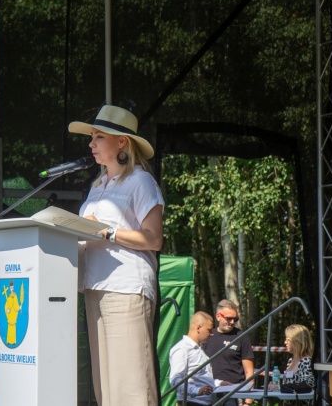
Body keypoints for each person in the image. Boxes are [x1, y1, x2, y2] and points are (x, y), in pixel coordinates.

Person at [69, 104, 165, 406]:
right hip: (93, 287)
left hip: (126, 288)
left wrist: (108, 231)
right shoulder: (97, 185)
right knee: (106, 388)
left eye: (98, 137)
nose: (91, 144)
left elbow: (154, 238)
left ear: (122, 142)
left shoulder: (141, 180)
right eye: (91, 137)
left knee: (131, 386)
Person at [169, 311, 230, 406]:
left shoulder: (199, 348)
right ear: (198, 328)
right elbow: (175, 380)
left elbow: (201, 378)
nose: (212, 334)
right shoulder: (182, 349)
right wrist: (196, 391)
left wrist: (219, 383)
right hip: (191, 403)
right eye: (209, 330)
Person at [202, 299, 255, 406]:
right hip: (210, 391)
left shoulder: (241, 337)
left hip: (234, 392)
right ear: (218, 317)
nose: (232, 322)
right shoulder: (208, 336)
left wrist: (248, 401)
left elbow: (249, 371)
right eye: (229, 318)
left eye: (235, 319)